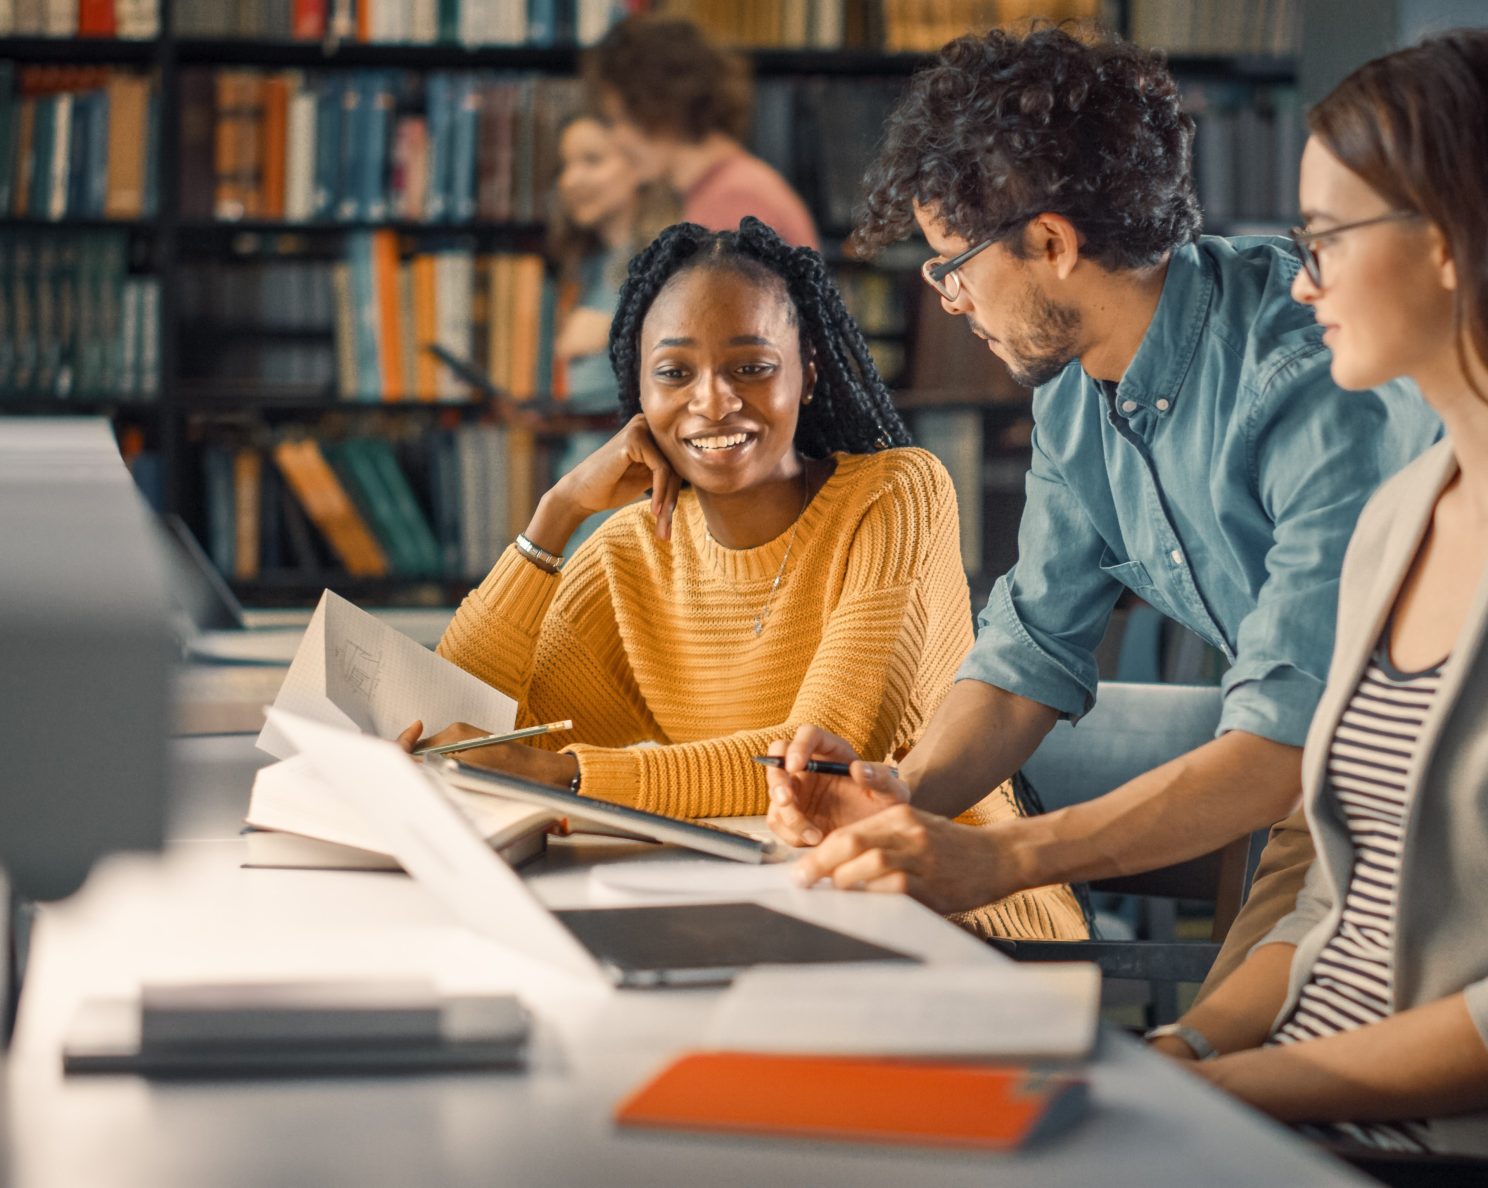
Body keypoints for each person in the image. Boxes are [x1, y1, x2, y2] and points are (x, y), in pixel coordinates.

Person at [761, 27, 1439, 994]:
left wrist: (1002, 859)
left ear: (1050, 242)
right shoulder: (1073, 400)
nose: (948, 299)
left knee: (1236, 1086)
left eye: (951, 261)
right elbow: (1026, 656)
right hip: (1326, 785)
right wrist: (896, 795)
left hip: (1416, 785)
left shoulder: (1304, 378)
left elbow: (1281, 752)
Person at [402, 217, 1086, 941]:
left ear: (809, 370)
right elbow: (474, 732)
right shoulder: (627, 552)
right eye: (674, 373)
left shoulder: (894, 499)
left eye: (751, 367)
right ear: (638, 391)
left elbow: (811, 764)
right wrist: (555, 512)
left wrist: (571, 779)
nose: (713, 400)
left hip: (959, 917)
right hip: (771, 909)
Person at [1142, 31, 1488, 1157]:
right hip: (1288, 1109)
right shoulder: (1399, 517)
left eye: (1326, 238)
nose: (1300, 282)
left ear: (1446, 242)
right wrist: (1189, 1050)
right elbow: (1330, 907)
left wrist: (1242, 1091)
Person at [581, 16, 819, 250]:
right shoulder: (722, 189)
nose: (616, 139)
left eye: (620, 120)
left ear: (660, 103)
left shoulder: (736, 200)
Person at [547, 112, 682, 410]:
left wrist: (612, 330)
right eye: (563, 166)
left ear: (639, 166)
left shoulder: (670, 261)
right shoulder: (585, 266)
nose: (570, 180)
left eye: (592, 160)